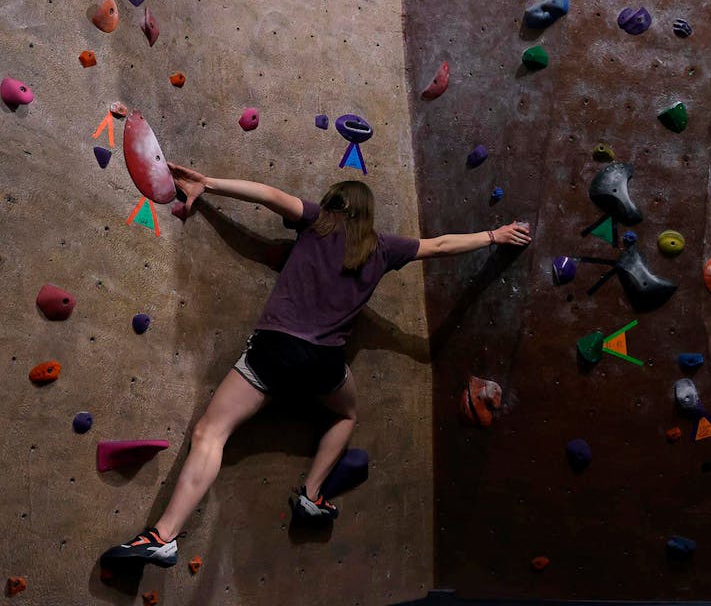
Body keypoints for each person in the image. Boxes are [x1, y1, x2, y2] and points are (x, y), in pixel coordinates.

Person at [101, 165, 531, 569]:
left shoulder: (317, 222)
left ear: (335, 205)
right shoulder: (384, 248)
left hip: (276, 350)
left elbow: (270, 196)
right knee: (346, 414)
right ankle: (311, 494)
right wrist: (495, 235)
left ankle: (164, 536)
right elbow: (439, 245)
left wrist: (208, 184)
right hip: (323, 362)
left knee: (210, 433)